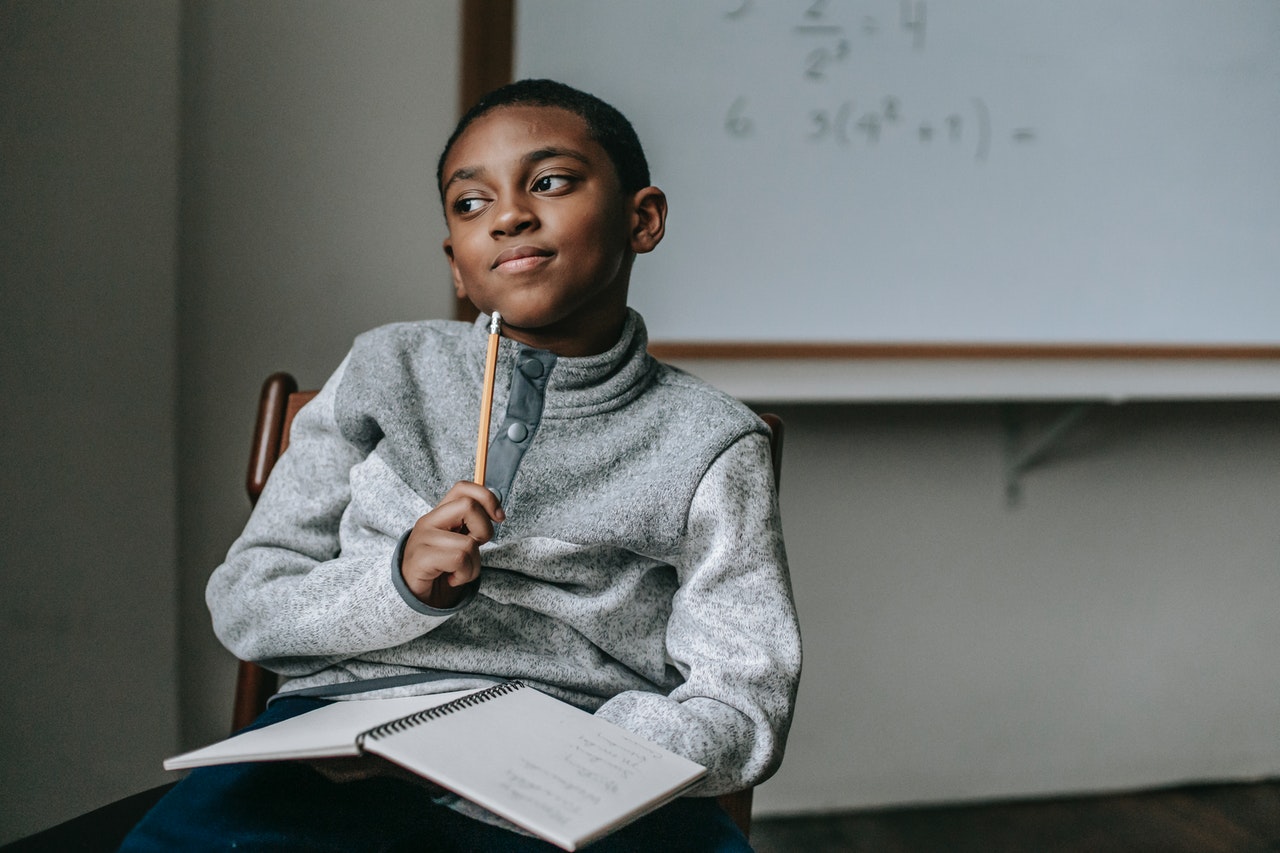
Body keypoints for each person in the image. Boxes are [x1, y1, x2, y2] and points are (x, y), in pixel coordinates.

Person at [120, 79, 801, 852]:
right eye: (470, 204)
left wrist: (605, 751)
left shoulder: (710, 439)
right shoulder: (386, 368)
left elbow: (743, 702)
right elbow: (248, 602)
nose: (508, 215)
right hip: (343, 749)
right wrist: (397, 585)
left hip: (585, 762)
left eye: (549, 182)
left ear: (642, 220)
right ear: (456, 263)